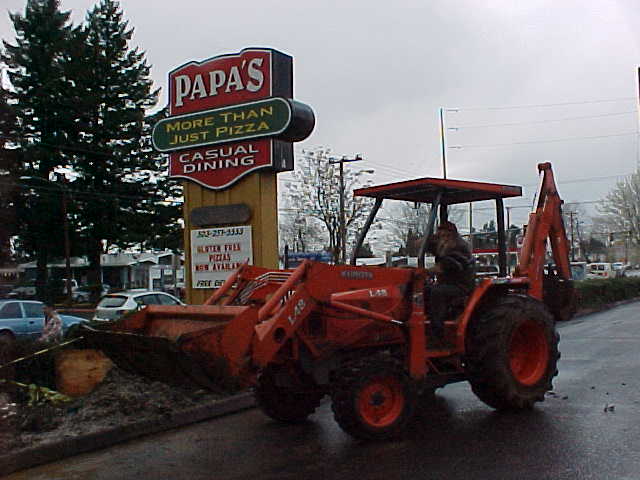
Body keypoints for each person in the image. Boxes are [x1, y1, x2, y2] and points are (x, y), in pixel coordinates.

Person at [425, 221, 475, 345]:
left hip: (461, 286)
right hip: (447, 283)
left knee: (437, 293)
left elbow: (448, 265)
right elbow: (425, 246)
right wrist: (425, 242)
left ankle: (437, 331)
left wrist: (426, 272)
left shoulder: (460, 247)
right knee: (424, 289)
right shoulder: (444, 246)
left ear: (451, 235)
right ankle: (423, 324)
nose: (441, 238)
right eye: (439, 235)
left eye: (443, 235)